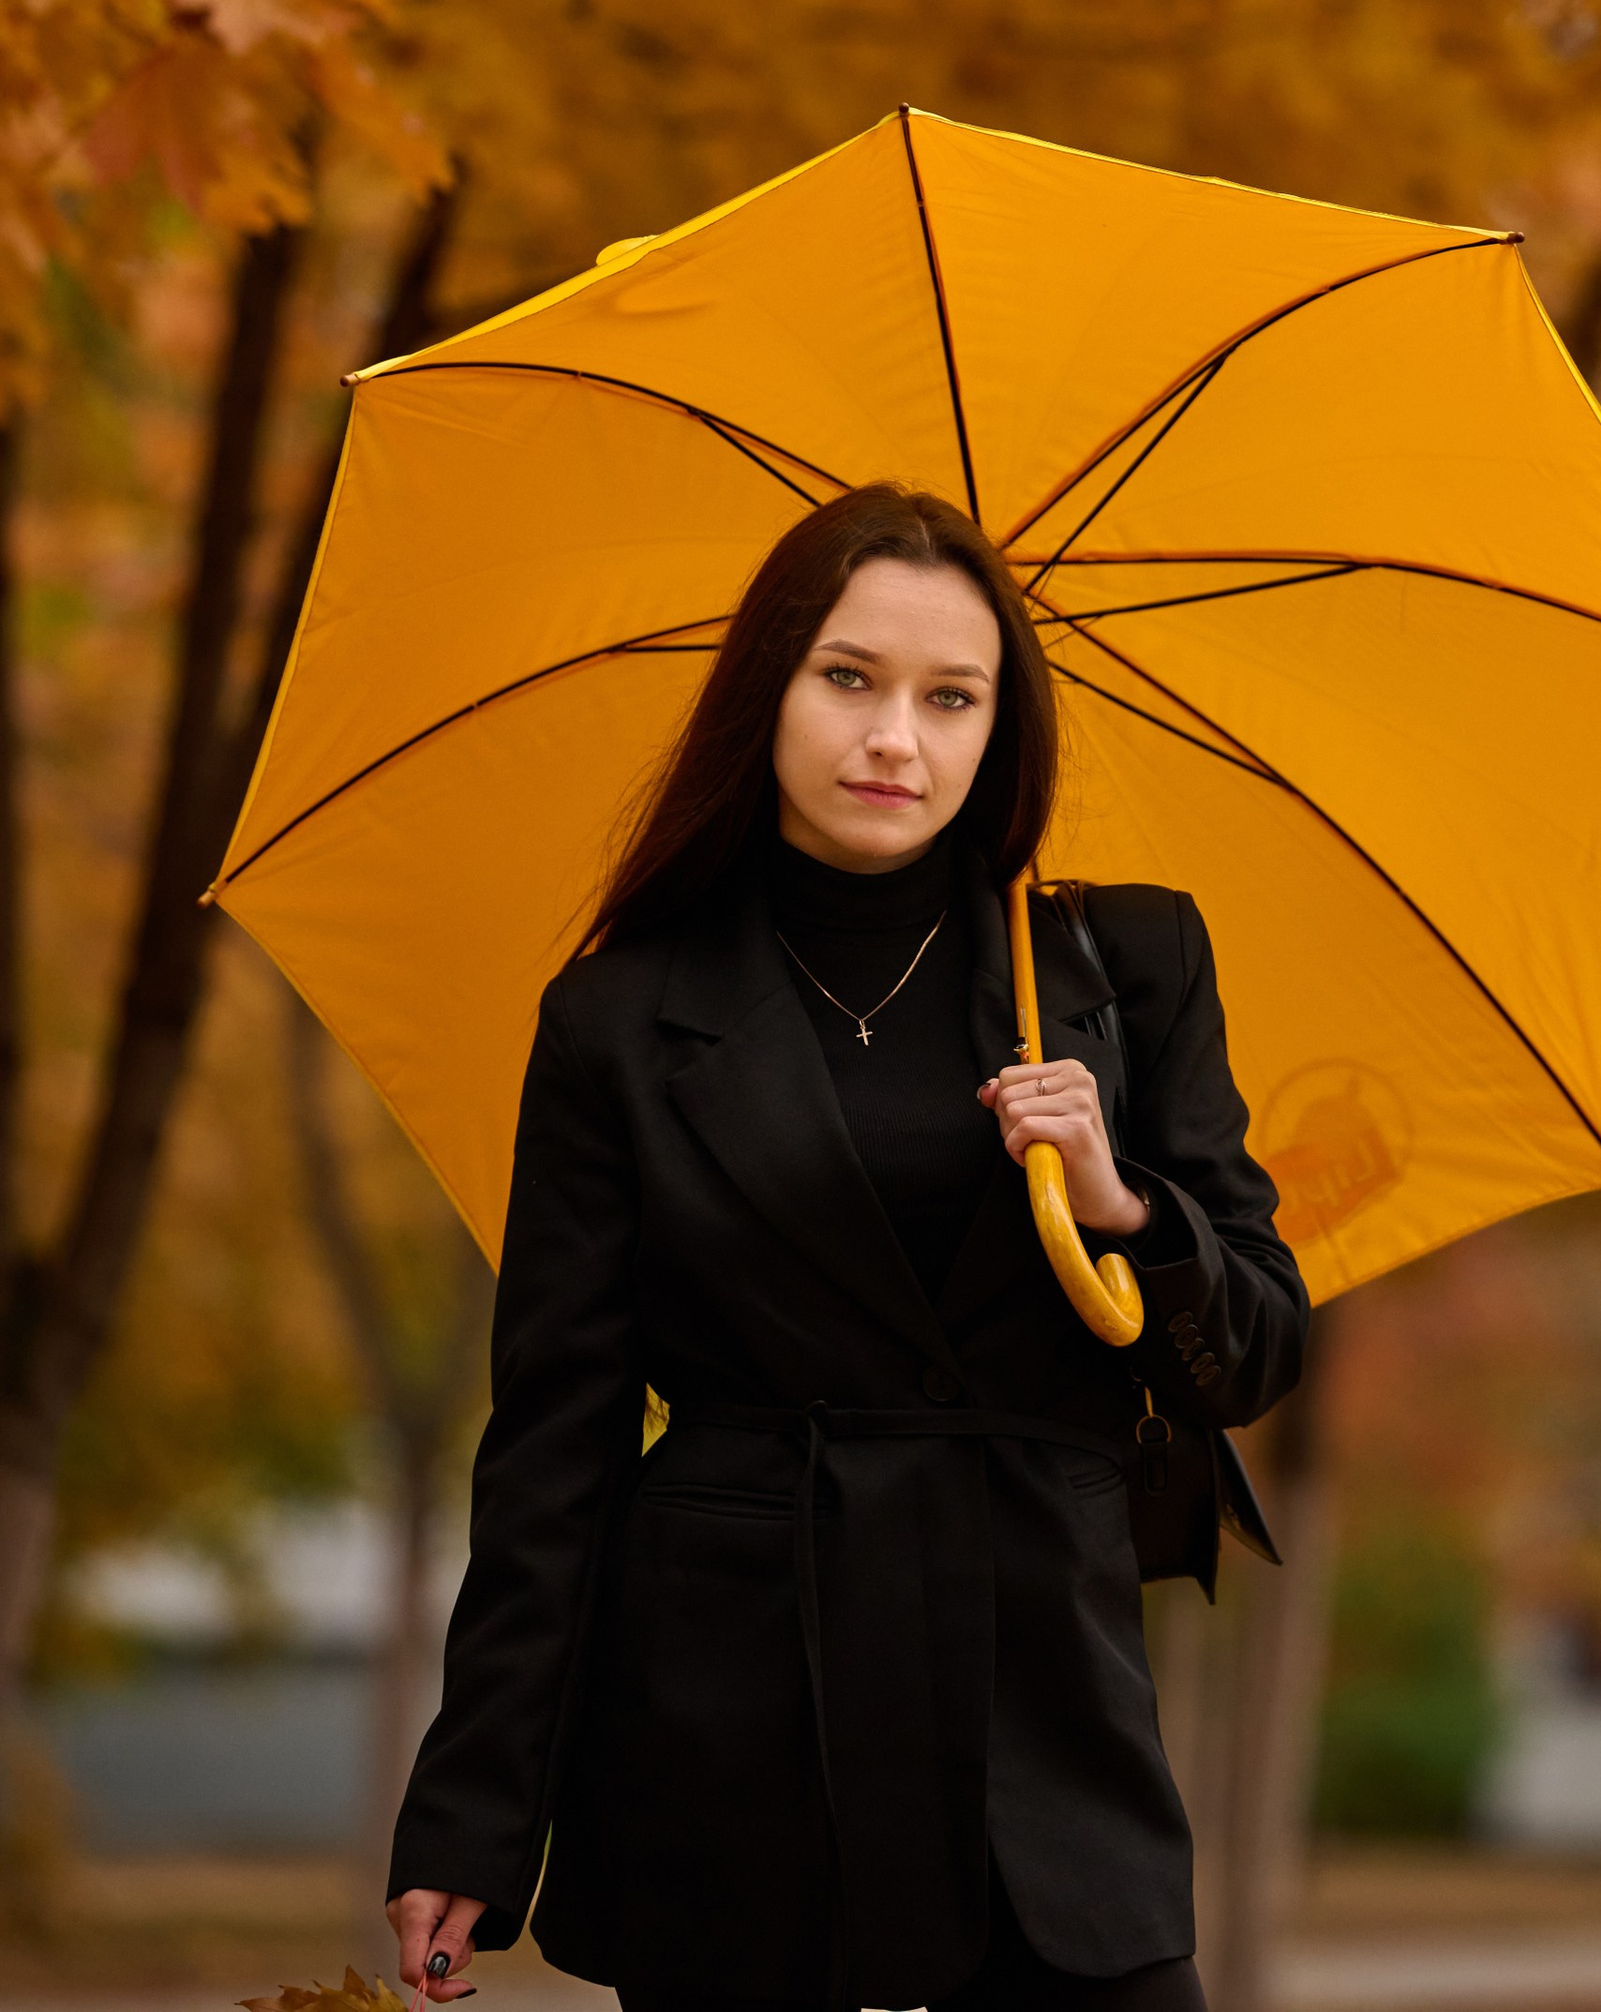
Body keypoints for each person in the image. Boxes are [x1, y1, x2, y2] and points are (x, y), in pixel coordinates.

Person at [386, 480, 1309, 2012]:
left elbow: (1260, 1350)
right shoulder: (620, 1020)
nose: (899, 739)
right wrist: (478, 1812)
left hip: (1043, 1717)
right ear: (770, 690)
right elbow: (554, 1443)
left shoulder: (1117, 966)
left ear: (999, 728)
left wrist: (1122, 1204)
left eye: (953, 697)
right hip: (737, 1720)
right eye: (851, 680)